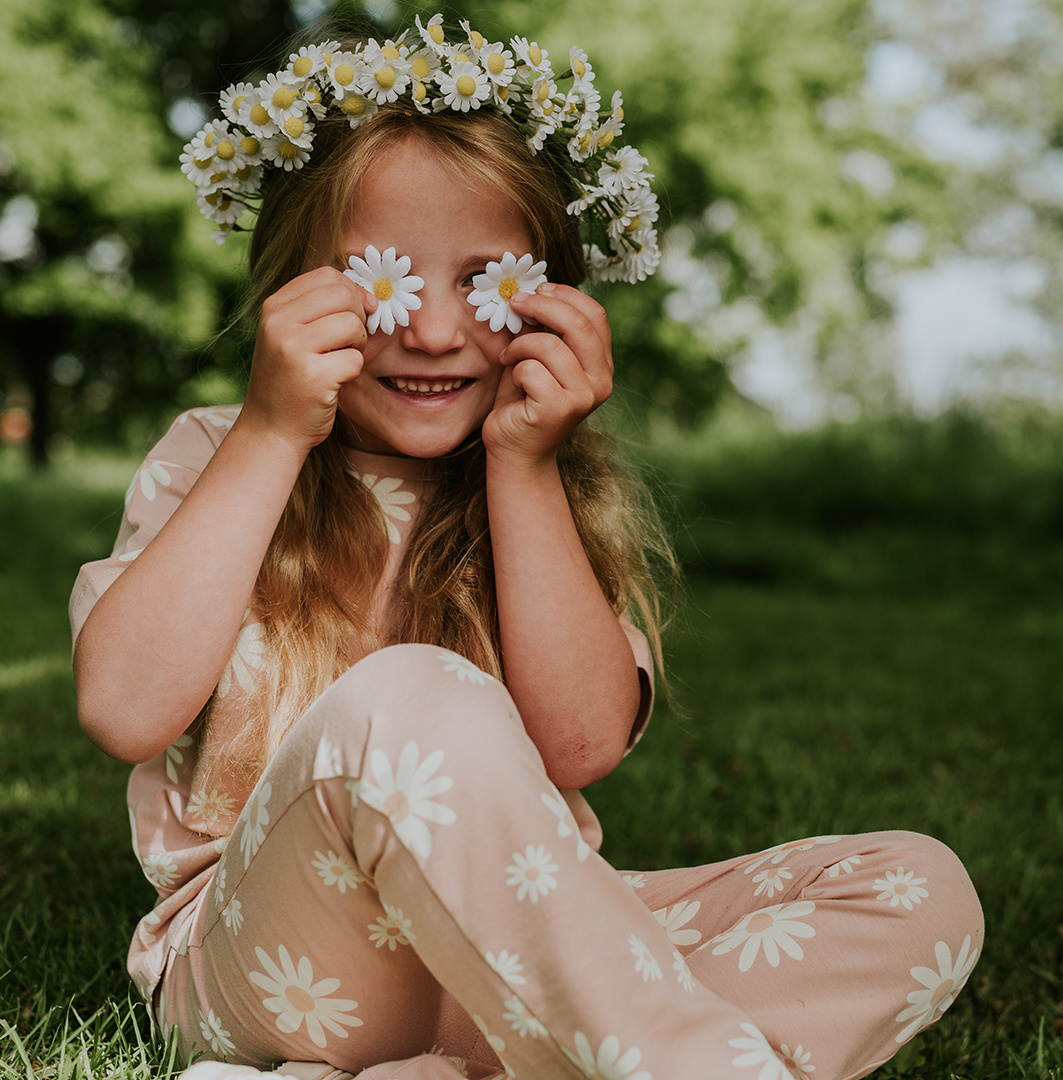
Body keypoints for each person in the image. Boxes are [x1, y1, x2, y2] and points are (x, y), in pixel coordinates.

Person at [70, 17, 983, 1080]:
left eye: (485, 282)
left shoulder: (546, 486)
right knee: (411, 698)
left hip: (515, 957)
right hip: (281, 963)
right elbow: (123, 709)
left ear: (552, 297)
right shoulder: (217, 455)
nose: (431, 330)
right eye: (381, 278)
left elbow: (580, 745)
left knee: (916, 890)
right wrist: (273, 434)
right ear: (290, 286)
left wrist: (522, 465)